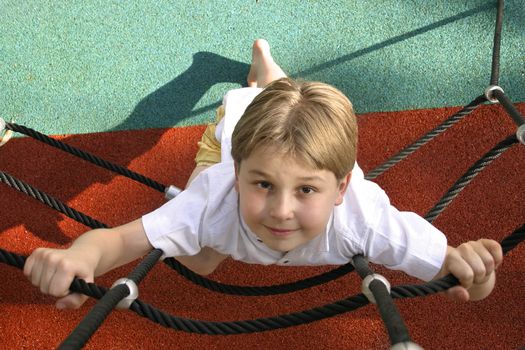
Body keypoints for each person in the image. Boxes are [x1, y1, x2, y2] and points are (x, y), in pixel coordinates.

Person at [24, 39, 502, 310]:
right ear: (239, 177)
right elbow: (116, 242)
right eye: (263, 185)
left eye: (307, 190)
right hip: (230, 138)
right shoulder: (214, 199)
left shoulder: (367, 220)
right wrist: (80, 256)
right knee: (202, 256)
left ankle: (268, 69)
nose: (280, 210)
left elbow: (460, 275)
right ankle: (261, 77)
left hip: (267, 146)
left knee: (277, 96)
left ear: (342, 189)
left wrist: (477, 273)